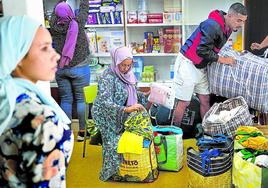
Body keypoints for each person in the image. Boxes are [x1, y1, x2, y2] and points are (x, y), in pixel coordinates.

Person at [0, 16, 73, 187]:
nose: (56, 56)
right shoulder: (43, 121)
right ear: (17, 54)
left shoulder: (6, 101)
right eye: (45, 48)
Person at [173, 3, 247, 126]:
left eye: (243, 21)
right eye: (239, 20)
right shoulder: (212, 25)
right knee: (184, 102)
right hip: (188, 63)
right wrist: (224, 60)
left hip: (201, 65)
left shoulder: (228, 27)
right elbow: (201, 51)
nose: (240, 24)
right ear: (229, 15)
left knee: (205, 99)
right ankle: (174, 135)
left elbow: (214, 48)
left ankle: (207, 132)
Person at [92, 46, 149, 181]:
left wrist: (147, 95)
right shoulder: (107, 76)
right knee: (113, 142)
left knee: (131, 138)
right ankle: (111, 173)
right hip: (106, 115)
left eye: (129, 65)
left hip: (122, 113)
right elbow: (105, 102)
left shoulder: (129, 75)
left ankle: (124, 169)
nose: (125, 68)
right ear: (116, 62)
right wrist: (125, 109)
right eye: (123, 65)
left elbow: (132, 93)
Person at [49, 0, 90, 141]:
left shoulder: (54, 26)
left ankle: (67, 133)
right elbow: (84, 9)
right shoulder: (77, 23)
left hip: (61, 68)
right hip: (80, 67)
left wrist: (60, 2)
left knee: (66, 100)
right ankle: (82, 133)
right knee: (81, 99)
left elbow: (55, 14)